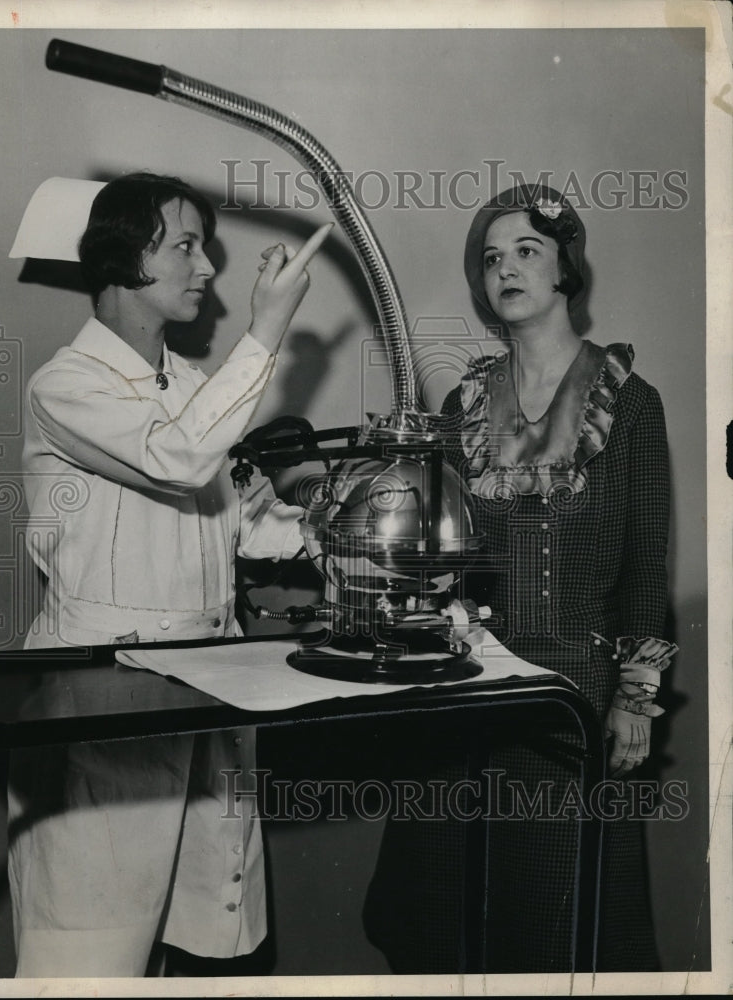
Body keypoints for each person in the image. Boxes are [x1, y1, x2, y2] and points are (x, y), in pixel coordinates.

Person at [8, 172, 331, 977]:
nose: (207, 269)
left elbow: (237, 518)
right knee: (85, 962)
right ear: (125, 255)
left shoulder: (189, 388)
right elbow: (180, 458)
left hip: (204, 693)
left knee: (199, 954)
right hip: (103, 700)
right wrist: (267, 329)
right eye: (186, 246)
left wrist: (336, 533)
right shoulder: (65, 386)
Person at [363, 183, 677, 973]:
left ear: (566, 268)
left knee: (550, 925)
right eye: (491, 257)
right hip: (469, 687)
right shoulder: (462, 402)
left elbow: (645, 564)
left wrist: (634, 698)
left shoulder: (632, 404)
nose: (504, 268)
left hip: (572, 695)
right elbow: (439, 555)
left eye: (526, 251)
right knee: (441, 914)